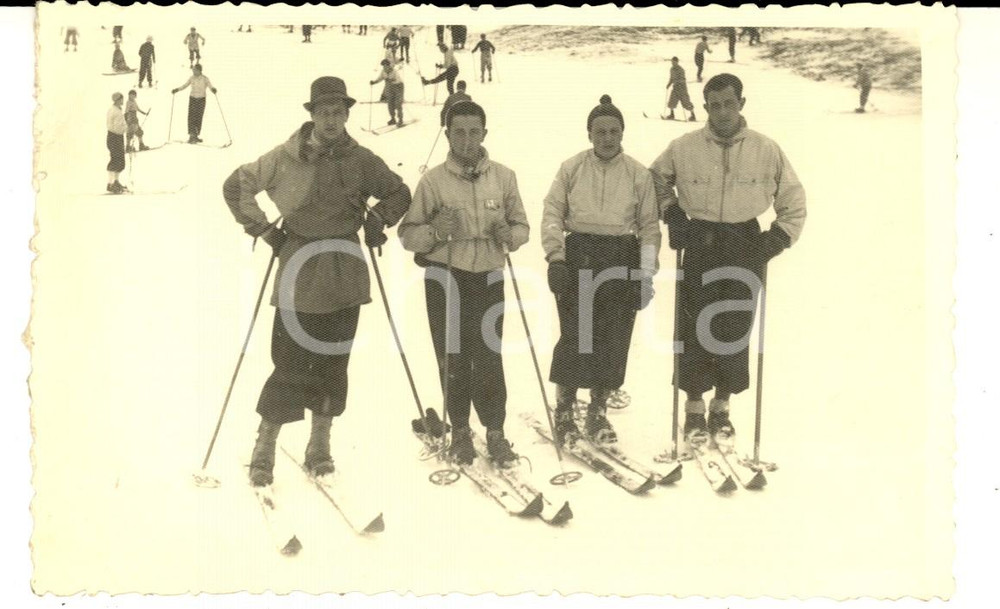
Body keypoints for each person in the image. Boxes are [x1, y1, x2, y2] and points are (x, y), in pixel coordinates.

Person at [222, 76, 412, 487]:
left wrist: (378, 221)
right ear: (311, 114)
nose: (331, 120)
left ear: (347, 115)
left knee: (333, 361)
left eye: (338, 112)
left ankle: (319, 444)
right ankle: (265, 444)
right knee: (289, 361)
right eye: (323, 112)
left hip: (345, 271)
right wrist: (263, 230)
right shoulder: (286, 157)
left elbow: (399, 193)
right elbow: (235, 186)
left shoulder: (361, 160)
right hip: (300, 269)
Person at [648, 73, 806, 442]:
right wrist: (672, 214)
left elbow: (793, 201)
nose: (722, 112)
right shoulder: (684, 146)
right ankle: (693, 409)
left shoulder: (766, 149)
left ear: (741, 104)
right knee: (694, 325)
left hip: (745, 241)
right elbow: (654, 179)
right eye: (714, 105)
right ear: (705, 108)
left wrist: (777, 239)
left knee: (734, 326)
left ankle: (721, 407)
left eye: (729, 103)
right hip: (700, 242)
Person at [398, 101, 530, 467]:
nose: (467, 140)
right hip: (446, 275)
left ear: (485, 134)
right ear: (448, 134)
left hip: (487, 274)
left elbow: (522, 226)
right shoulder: (433, 181)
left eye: (474, 132)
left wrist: (510, 234)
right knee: (453, 354)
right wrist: (436, 231)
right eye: (459, 132)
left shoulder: (504, 177)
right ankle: (459, 429)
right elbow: (408, 234)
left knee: (489, 354)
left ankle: (495, 430)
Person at [541, 95, 661, 447]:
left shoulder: (638, 174)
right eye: (600, 131)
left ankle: (597, 408)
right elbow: (552, 213)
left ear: (622, 133)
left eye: (614, 131)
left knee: (613, 336)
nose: (607, 138)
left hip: (621, 255)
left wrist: (644, 275)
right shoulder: (572, 168)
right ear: (589, 134)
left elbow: (649, 228)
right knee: (577, 334)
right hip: (580, 255)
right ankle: (564, 408)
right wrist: (556, 259)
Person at [172, 64, 217, 144]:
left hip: (201, 99)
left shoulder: (205, 79)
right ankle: (191, 136)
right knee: (191, 117)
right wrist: (177, 89)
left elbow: (210, 86)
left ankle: (195, 136)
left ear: (199, 70)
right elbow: (185, 85)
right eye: (193, 70)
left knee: (199, 117)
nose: (193, 71)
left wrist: (213, 89)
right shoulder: (191, 78)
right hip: (193, 99)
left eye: (195, 70)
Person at [371, 58, 406, 126]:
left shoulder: (394, 71)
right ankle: (393, 119)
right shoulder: (383, 71)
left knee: (398, 103)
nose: (384, 67)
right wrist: (374, 82)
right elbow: (380, 78)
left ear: (388, 65)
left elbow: (397, 80)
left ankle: (400, 120)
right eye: (383, 66)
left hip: (398, 86)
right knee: (390, 103)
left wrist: (390, 80)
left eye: (385, 65)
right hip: (390, 87)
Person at [106, 93, 127, 194]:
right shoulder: (116, 112)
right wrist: (127, 129)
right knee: (117, 160)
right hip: (116, 137)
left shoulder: (113, 109)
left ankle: (114, 182)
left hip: (111, 136)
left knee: (116, 159)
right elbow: (118, 127)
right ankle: (111, 184)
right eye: (122, 99)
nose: (123, 100)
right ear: (118, 100)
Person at [665, 57, 696, 122]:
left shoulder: (681, 69)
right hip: (675, 87)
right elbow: (671, 78)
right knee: (672, 100)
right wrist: (669, 84)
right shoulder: (671, 69)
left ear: (677, 62)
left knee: (686, 102)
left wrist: (679, 83)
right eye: (672, 62)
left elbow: (683, 79)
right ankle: (672, 114)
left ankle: (693, 115)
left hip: (682, 87)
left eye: (674, 62)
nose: (673, 63)